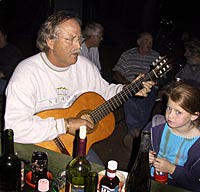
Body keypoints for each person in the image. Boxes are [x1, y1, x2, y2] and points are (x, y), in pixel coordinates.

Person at [4, 11, 154, 164]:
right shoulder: (27, 74)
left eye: (79, 39)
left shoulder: (84, 66)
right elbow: (14, 129)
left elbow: (105, 93)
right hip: (37, 148)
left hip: (75, 146)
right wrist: (65, 124)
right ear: (50, 41)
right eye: (70, 40)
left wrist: (129, 89)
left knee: (98, 176)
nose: (78, 46)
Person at [146, 83, 200, 191]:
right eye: (168, 108)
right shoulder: (155, 127)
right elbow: (141, 152)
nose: (170, 115)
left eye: (178, 112)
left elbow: (195, 183)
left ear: (194, 116)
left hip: (179, 186)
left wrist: (172, 169)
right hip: (150, 178)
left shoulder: (197, 145)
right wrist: (144, 158)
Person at [112, 32, 160, 152]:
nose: (149, 44)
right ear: (139, 42)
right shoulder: (127, 54)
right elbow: (117, 74)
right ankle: (140, 133)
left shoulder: (155, 55)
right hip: (129, 84)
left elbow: (159, 77)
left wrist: (154, 81)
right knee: (128, 96)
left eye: (151, 42)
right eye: (146, 40)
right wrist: (128, 85)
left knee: (149, 96)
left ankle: (135, 133)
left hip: (147, 86)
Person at [0, 26, 23, 95]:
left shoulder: (12, 50)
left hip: (11, 83)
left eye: (0, 36)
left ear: (5, 36)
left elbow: (4, 73)